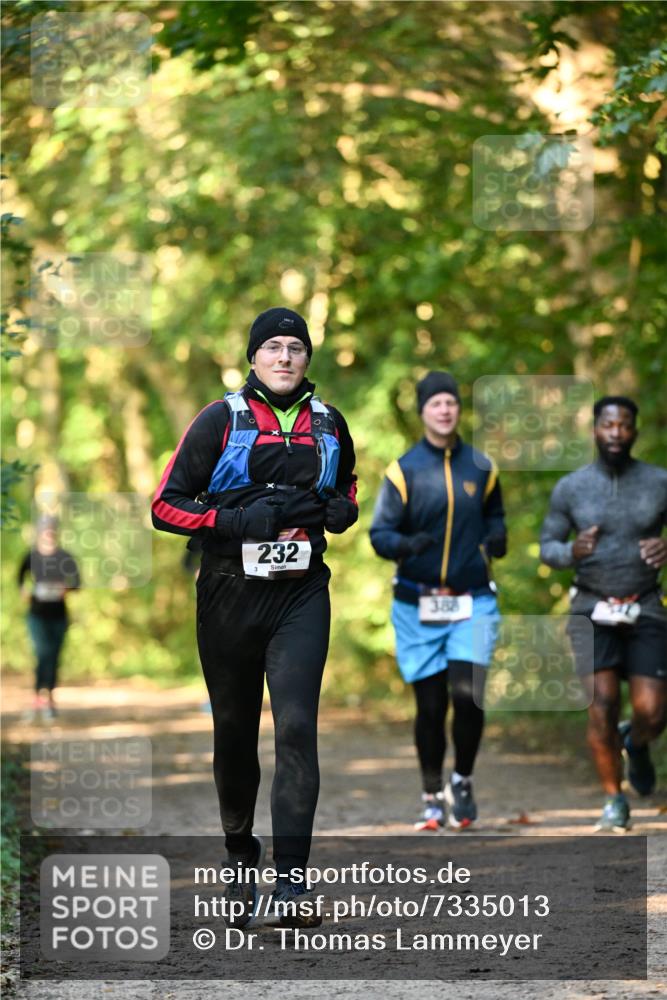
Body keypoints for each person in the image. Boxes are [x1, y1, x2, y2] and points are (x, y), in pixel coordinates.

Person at [151, 307, 357, 925]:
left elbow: (347, 487)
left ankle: (291, 887)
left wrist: (337, 510)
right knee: (236, 734)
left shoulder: (329, 422)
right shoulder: (220, 419)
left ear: (308, 358)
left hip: (301, 593)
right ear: (254, 357)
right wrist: (232, 520)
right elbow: (165, 505)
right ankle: (241, 853)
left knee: (296, 728)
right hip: (228, 593)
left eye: (296, 347)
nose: (285, 357)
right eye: (273, 347)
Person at [370, 372, 506, 830]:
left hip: (473, 602)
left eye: (451, 402)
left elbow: (494, 515)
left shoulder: (482, 467)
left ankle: (462, 779)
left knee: (468, 699)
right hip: (417, 604)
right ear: (423, 411)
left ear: (458, 409)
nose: (444, 410)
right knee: (430, 708)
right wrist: (405, 546)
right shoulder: (403, 470)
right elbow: (379, 534)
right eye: (436, 403)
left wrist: (497, 535)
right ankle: (431, 796)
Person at [540, 396, 667, 832]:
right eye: (608, 424)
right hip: (591, 607)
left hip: (645, 606)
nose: (616, 432)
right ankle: (614, 799)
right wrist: (571, 550)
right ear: (594, 430)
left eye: (625, 425)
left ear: (635, 431)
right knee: (602, 705)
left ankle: (637, 739)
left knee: (653, 711)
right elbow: (548, 547)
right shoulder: (571, 488)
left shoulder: (658, 482)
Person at [17, 514, 81, 722]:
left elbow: (77, 582)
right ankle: (38, 697)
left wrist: (66, 589)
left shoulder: (64, 557)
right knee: (42, 653)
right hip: (37, 614)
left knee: (53, 656)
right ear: (40, 532)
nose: (49, 533)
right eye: (45, 529)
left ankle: (50, 700)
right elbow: (20, 578)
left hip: (58, 614)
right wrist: (24, 592)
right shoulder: (32, 556)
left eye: (52, 529)